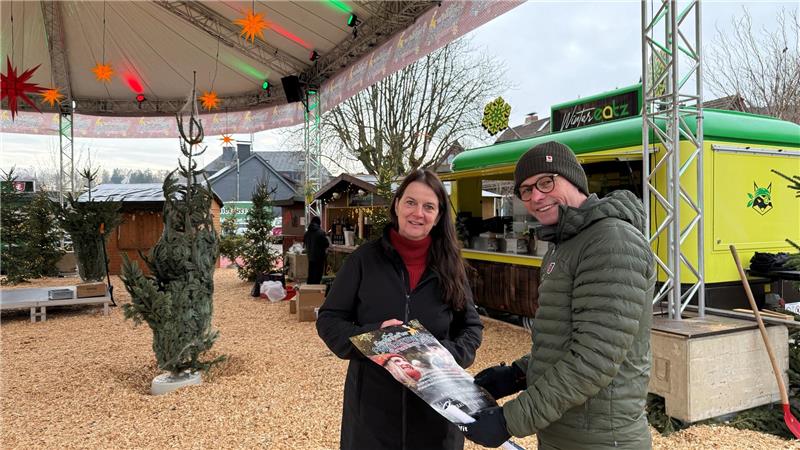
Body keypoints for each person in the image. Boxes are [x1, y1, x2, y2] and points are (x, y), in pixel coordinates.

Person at [462, 141, 656, 449]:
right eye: (526, 190)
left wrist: (509, 420)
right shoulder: (564, 244)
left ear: (574, 179)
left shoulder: (611, 241)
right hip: (562, 433)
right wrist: (517, 374)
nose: (536, 196)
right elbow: (565, 341)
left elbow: (593, 359)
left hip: (600, 440)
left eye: (546, 182)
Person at [316, 169, 484, 450]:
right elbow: (330, 320)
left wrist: (444, 356)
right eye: (410, 202)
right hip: (372, 415)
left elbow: (471, 327)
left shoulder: (451, 266)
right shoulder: (363, 261)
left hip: (438, 415)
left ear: (439, 215)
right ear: (396, 205)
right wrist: (375, 340)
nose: (418, 213)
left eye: (429, 206)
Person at [303, 216, 329, 284]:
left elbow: (305, 243)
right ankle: (316, 292)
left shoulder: (306, 233)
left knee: (311, 275)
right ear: (319, 223)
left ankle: (309, 291)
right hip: (319, 258)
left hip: (310, 257)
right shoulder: (321, 232)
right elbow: (326, 244)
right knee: (317, 276)